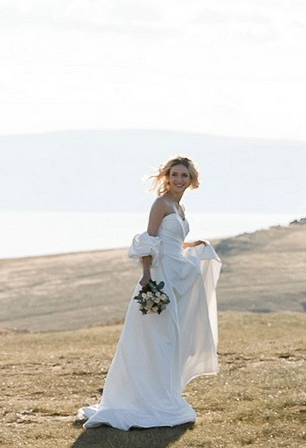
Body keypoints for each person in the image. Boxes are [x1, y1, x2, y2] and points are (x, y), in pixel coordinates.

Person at [77, 156, 221, 429]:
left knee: (169, 339)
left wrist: (192, 244)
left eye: (184, 176)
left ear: (191, 180)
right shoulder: (160, 204)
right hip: (159, 275)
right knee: (155, 338)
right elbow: (150, 240)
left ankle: (161, 393)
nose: (179, 180)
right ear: (167, 176)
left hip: (176, 273)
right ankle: (144, 400)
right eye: (175, 174)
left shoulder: (179, 207)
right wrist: (146, 275)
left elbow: (171, 241)